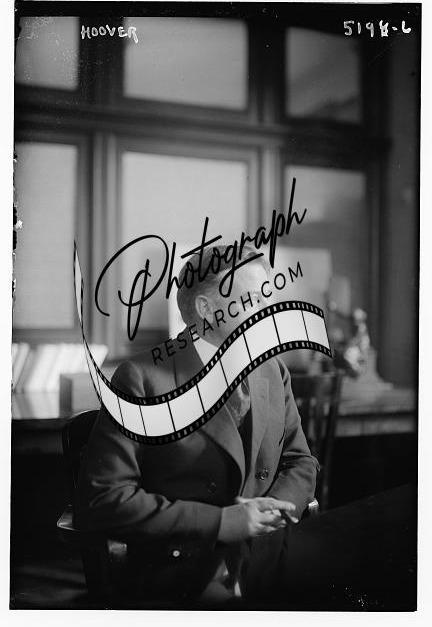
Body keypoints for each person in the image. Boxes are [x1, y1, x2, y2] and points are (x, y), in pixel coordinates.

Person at [75, 245, 319, 607]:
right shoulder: (141, 379)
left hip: (269, 568)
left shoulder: (272, 369)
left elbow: (300, 462)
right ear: (206, 308)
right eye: (254, 299)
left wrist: (272, 511)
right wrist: (222, 522)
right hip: (181, 577)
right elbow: (104, 499)